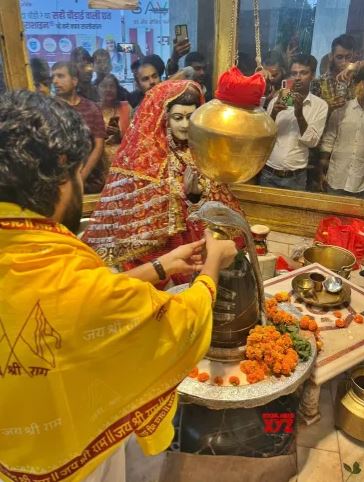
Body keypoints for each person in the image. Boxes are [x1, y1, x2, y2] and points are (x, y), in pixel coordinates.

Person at [0, 89, 237, 482]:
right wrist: (212, 266)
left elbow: (70, 301)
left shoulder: (34, 258)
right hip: (75, 459)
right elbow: (179, 322)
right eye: (77, 174)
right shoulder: (61, 271)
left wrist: (159, 267)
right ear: (60, 176)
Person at [82, 80, 241, 279]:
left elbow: (219, 204)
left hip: (199, 246)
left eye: (190, 117)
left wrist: (196, 196)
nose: (184, 124)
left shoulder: (202, 154)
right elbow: (139, 218)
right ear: (164, 119)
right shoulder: (147, 158)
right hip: (158, 253)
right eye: (178, 117)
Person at [259, 54, 328, 191]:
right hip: (268, 173)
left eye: (303, 73)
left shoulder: (320, 106)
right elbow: (264, 135)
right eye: (294, 73)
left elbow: (312, 142)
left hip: (296, 178)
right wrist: (273, 113)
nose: (297, 77)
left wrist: (299, 115)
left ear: (313, 75)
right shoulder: (277, 100)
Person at [51, 61, 106, 194]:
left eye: (60, 76)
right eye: (53, 77)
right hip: (59, 179)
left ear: (74, 81)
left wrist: (80, 178)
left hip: (90, 177)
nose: (55, 81)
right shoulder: (50, 109)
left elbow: (99, 146)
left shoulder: (91, 108)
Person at [319, 68, 364, 199]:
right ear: (357, 85)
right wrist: (321, 172)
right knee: (332, 218)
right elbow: (328, 141)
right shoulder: (341, 110)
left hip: (361, 184)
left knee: (357, 220)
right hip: (335, 179)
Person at [311, 34, 356, 112]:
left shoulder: (356, 80)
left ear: (353, 55)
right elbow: (313, 113)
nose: (344, 62)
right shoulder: (318, 83)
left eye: (348, 57)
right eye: (339, 57)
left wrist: (359, 64)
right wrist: (328, 108)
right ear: (331, 56)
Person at [98, 73, 132, 168]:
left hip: (123, 162)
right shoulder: (93, 109)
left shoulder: (126, 108)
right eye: (104, 86)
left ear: (117, 89)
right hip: (99, 163)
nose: (108, 89)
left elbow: (135, 138)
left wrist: (119, 136)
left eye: (112, 86)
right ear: (97, 88)